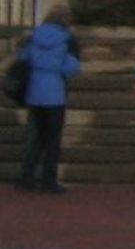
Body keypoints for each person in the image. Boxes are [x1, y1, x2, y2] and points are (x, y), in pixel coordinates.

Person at [13, 12, 84, 193]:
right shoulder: (68, 39)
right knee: (53, 139)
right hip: (55, 93)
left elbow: (22, 58)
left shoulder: (32, 37)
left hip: (34, 92)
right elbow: (72, 66)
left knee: (35, 137)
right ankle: (48, 180)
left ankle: (27, 176)